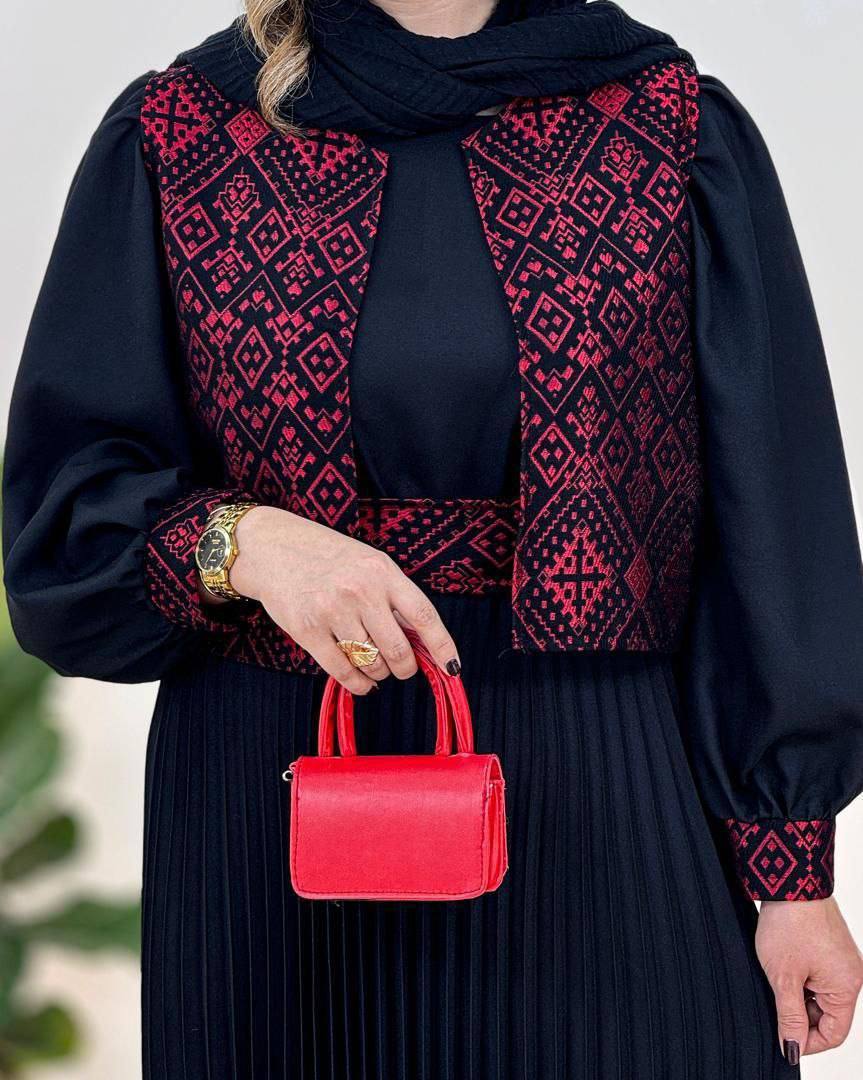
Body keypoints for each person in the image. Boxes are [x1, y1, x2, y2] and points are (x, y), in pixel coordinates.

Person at [4, 1, 863, 1077]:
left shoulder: (668, 128)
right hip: (275, 802)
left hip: (607, 785)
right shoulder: (182, 135)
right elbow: (64, 520)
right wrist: (250, 544)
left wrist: (790, 869)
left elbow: (771, 516)